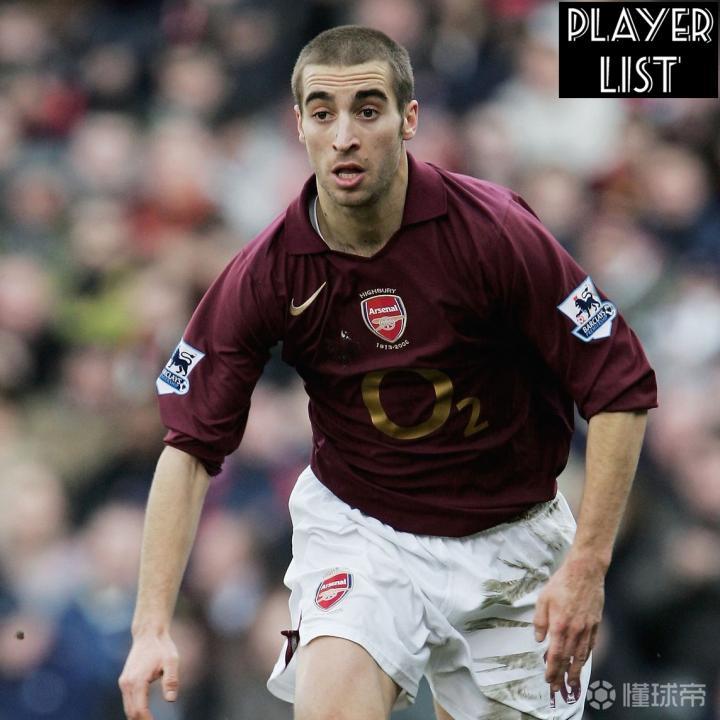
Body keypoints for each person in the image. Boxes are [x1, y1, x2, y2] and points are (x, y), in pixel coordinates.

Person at [119, 25, 657, 720]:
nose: (344, 135)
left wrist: (587, 566)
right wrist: (150, 625)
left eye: (367, 110)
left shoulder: (493, 231)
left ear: (409, 119)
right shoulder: (269, 270)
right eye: (323, 114)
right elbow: (189, 447)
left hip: (514, 539)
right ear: (300, 126)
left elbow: (620, 386)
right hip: (364, 532)